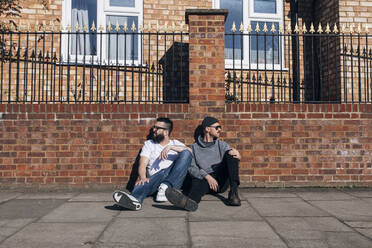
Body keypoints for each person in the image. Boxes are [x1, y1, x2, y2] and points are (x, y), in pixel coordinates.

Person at [113, 117, 192, 211]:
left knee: (186, 153)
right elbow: (142, 164)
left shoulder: (175, 143)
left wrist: (170, 147)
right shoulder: (149, 144)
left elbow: (189, 152)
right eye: (154, 127)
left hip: (173, 183)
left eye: (157, 128)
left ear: (166, 132)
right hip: (155, 180)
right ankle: (135, 201)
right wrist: (142, 177)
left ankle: (165, 187)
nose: (154, 130)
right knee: (142, 183)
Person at [165, 116, 241, 211]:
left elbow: (233, 160)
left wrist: (237, 154)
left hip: (219, 181)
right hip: (204, 180)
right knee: (196, 181)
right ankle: (189, 202)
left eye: (220, 127)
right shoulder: (194, 147)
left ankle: (234, 193)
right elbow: (192, 168)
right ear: (207, 129)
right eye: (217, 127)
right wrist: (207, 176)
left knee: (231, 155)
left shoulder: (221, 144)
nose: (220, 130)